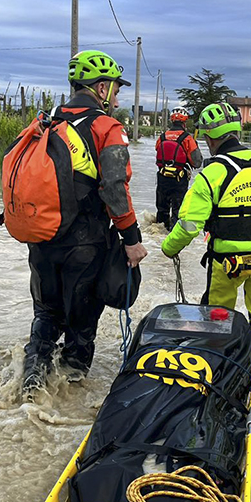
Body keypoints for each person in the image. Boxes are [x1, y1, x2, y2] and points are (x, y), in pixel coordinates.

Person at [20, 50, 147, 397]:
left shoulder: (44, 123)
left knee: (46, 317)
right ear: (101, 87)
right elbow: (115, 189)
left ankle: (31, 385)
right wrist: (132, 240)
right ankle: (70, 394)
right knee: (80, 327)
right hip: (85, 245)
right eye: (116, 90)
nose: (117, 97)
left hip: (41, 239)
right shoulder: (107, 127)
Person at [161, 102, 251, 360]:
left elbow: (190, 226)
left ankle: (217, 363)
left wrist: (168, 248)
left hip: (226, 263)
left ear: (208, 138)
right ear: (237, 130)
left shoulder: (210, 174)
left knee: (216, 318)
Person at [154, 108, 203, 228]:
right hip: (179, 180)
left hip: (162, 178)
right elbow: (197, 163)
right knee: (178, 213)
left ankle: (158, 239)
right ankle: (172, 239)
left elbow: (158, 151)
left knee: (162, 213)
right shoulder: (187, 139)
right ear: (184, 123)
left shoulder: (162, 137)